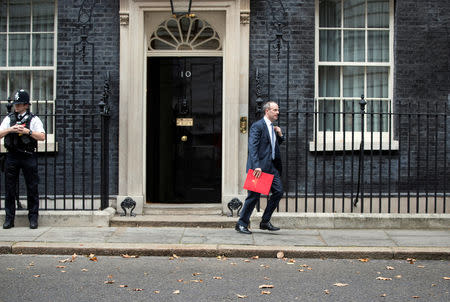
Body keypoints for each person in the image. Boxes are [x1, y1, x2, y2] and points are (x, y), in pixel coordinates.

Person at [235, 101, 284, 234]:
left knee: (279, 192)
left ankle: (265, 221)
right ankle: (241, 224)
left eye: (277, 110)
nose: (277, 112)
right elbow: (253, 147)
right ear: (267, 111)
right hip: (259, 168)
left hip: (271, 167)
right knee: (254, 197)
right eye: (275, 110)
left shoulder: (272, 127)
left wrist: (280, 135)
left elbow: (272, 146)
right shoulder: (258, 126)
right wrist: (256, 166)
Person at [0, 89, 45, 229]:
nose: (16, 106)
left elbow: (42, 136)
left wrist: (28, 132)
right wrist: (11, 129)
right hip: (12, 156)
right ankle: (9, 219)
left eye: (19, 104)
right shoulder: (9, 119)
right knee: (9, 189)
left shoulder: (34, 119)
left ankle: (33, 219)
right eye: (16, 104)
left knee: (32, 188)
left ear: (26, 105)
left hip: (28, 156)